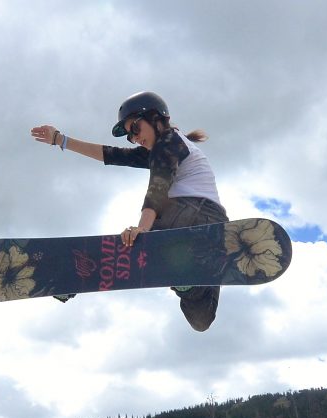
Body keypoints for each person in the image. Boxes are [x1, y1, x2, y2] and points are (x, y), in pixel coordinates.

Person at [31, 91, 229, 331]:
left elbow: (158, 187)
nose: (134, 139)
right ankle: (185, 281)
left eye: (135, 129)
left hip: (194, 214)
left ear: (156, 118)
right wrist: (60, 140)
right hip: (215, 228)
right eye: (129, 136)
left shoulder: (169, 142)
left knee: (133, 246)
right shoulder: (163, 148)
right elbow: (111, 155)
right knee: (201, 319)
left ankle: (72, 276)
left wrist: (143, 229)